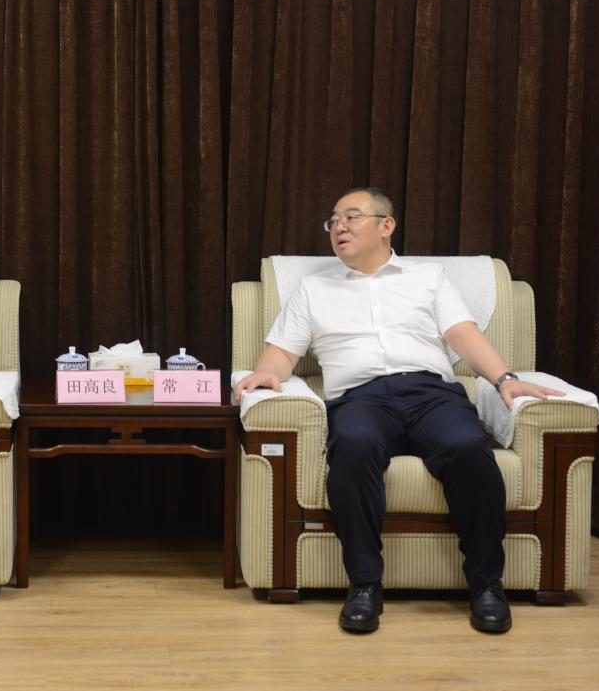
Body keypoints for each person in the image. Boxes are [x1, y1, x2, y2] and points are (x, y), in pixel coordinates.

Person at [234, 188, 562, 634]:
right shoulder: (313, 289)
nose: (339, 227)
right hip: (360, 398)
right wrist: (264, 374)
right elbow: (281, 354)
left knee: (468, 447)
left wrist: (505, 379)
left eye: (351, 217)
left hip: (431, 394)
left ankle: (487, 585)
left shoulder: (428, 278)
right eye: (333, 221)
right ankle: (365, 586)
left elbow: (463, 335)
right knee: (353, 446)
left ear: (386, 225)